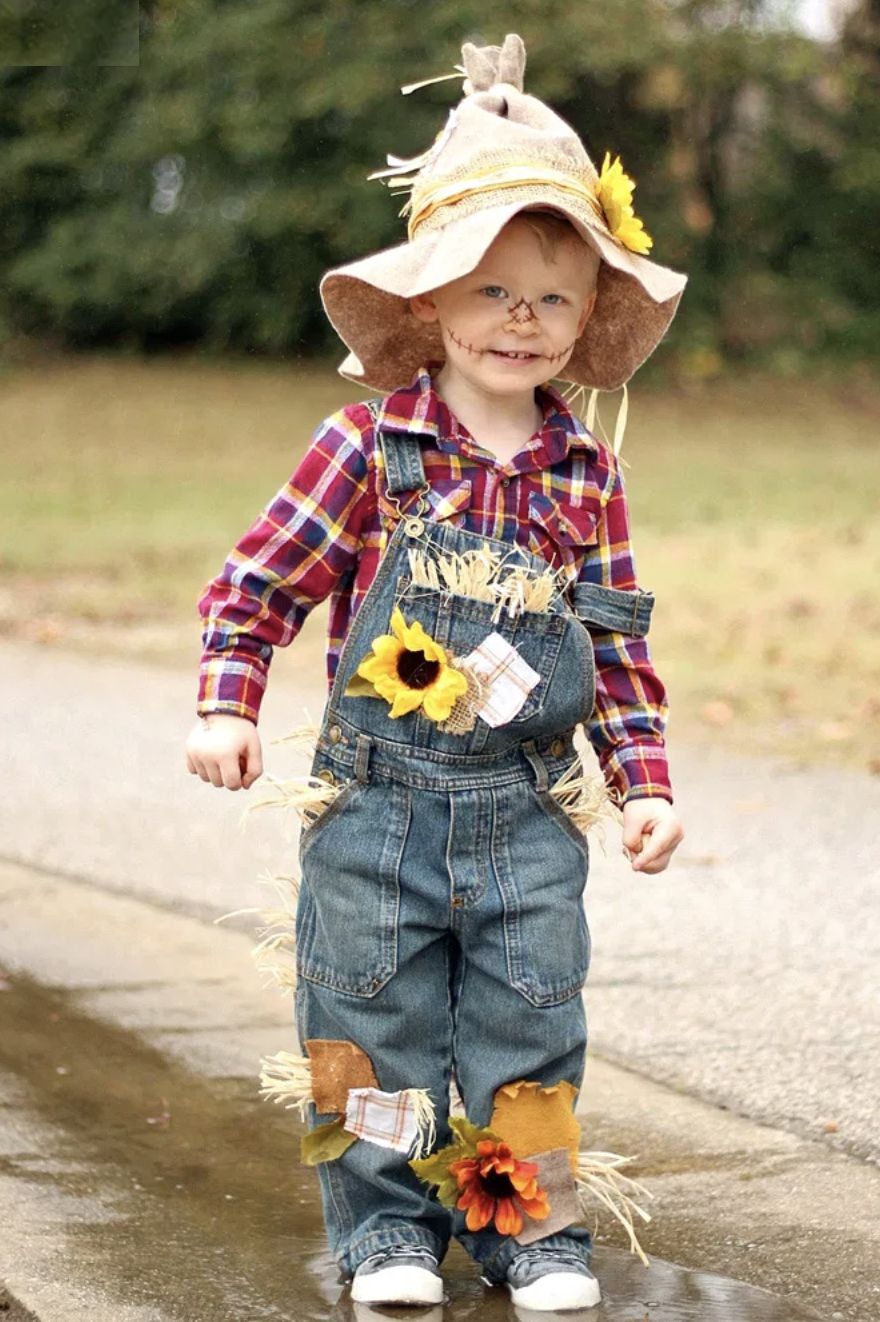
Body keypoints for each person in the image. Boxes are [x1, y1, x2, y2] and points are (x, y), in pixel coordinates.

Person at [186, 33, 686, 1313]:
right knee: (373, 1014)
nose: (519, 322)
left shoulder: (587, 475)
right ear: (428, 305)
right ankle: (388, 1230)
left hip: (525, 807)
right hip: (374, 804)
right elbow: (264, 578)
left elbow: (616, 642)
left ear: (586, 321)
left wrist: (642, 781)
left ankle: (528, 1230)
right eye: (488, 292)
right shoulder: (364, 444)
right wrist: (226, 694)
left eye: (551, 298)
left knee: (528, 1018)